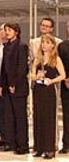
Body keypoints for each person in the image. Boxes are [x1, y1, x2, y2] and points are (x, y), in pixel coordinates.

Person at [0, 22, 29, 155]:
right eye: (5, 30)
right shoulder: (7, 46)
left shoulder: (21, 46)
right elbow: (4, 68)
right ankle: (11, 142)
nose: (6, 32)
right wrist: (3, 85)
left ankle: (22, 145)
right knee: (9, 116)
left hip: (18, 87)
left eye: (9, 30)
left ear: (16, 31)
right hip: (7, 86)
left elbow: (22, 68)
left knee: (20, 116)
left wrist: (14, 84)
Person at [31, 34, 65, 159]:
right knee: (38, 118)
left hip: (49, 90)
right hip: (38, 90)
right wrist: (36, 76)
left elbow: (62, 75)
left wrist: (52, 81)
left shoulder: (55, 59)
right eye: (43, 42)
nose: (44, 44)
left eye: (47, 42)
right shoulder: (37, 59)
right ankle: (39, 148)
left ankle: (49, 149)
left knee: (48, 119)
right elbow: (32, 75)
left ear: (52, 45)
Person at [58, 20, 69, 154]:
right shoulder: (62, 46)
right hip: (66, 84)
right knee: (67, 116)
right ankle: (66, 144)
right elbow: (59, 64)